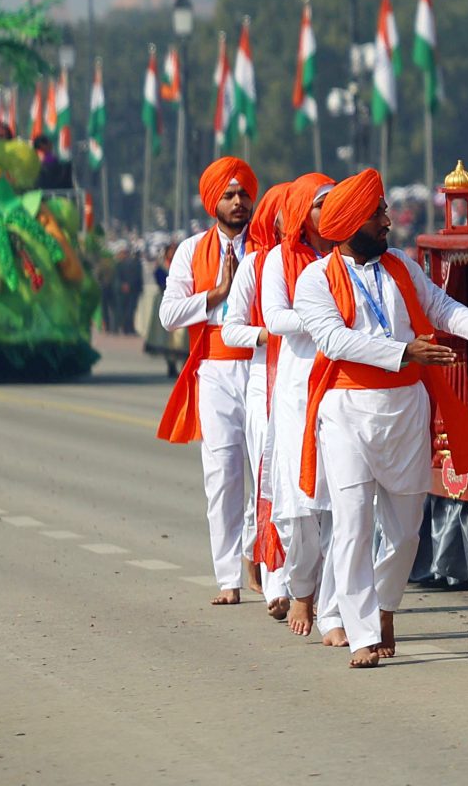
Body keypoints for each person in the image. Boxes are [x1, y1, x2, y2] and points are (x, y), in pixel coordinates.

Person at [295, 168, 468, 668]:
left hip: (405, 410)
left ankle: (384, 605)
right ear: (352, 222)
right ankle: (360, 636)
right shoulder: (314, 281)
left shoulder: (400, 265)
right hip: (347, 411)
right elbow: (335, 340)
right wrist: (403, 351)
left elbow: (437, 305)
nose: (386, 221)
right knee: (354, 525)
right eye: (377, 214)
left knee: (404, 533)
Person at [155, 156, 262, 604]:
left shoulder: (267, 247)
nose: (238, 202)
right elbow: (167, 315)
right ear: (212, 202)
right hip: (214, 369)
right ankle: (227, 578)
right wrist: (215, 294)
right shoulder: (191, 251)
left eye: (243, 195)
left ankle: (259, 557)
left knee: (265, 468)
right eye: (229, 195)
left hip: (260, 364)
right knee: (222, 473)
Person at [258, 174, 343, 644]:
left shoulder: (344, 256)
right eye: (319, 205)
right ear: (299, 213)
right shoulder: (278, 260)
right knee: (299, 504)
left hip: (339, 384)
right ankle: (302, 587)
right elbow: (275, 318)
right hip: (295, 389)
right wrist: (324, 318)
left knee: (338, 501)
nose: (326, 213)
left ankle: (330, 609)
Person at [217, 182, 290, 619]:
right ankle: (277, 581)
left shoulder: (322, 263)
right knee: (270, 480)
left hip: (311, 386)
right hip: (264, 384)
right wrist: (268, 334)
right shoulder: (255, 266)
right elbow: (231, 329)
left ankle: (292, 574)